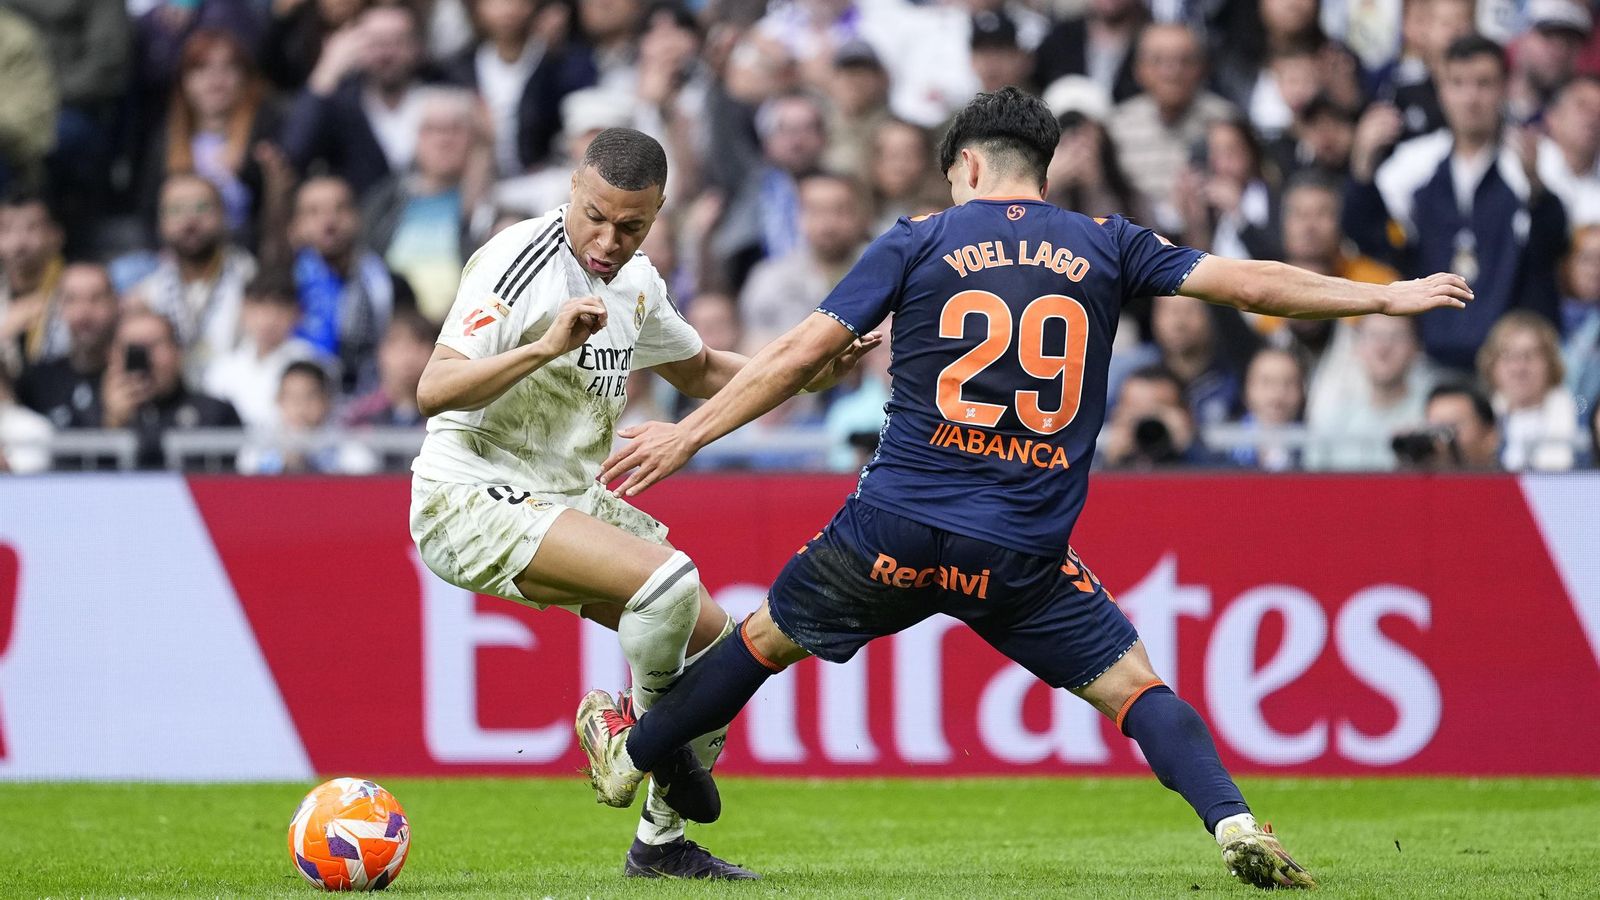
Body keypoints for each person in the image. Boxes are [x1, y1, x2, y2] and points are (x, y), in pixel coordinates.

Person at [584, 87, 1474, 889]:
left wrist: (690, 433)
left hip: (892, 528)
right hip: (1017, 549)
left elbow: (800, 353)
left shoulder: (919, 239)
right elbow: (1254, 286)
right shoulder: (1109, 243)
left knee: (760, 642)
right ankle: (1234, 819)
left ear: (966, 165)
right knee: (1136, 689)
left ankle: (632, 758)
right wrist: (1385, 299)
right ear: (1039, 167)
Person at [408, 126, 875, 879]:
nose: (607, 238)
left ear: (656, 215)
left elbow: (699, 371)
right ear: (572, 187)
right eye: (595, 215)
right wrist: (542, 347)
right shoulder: (516, 259)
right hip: (467, 493)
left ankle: (660, 845)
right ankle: (641, 747)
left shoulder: (637, 282)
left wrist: (807, 371)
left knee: (726, 652)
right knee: (669, 581)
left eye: (631, 226)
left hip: (561, 496)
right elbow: (432, 389)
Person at [1344, 34, 1567, 372]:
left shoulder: (1538, 159)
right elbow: (1369, 237)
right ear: (1440, 89)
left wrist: (1537, 188)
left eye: (1484, 83)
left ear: (1505, 88)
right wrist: (1362, 165)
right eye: (1457, 83)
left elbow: (1552, 250)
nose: (1470, 97)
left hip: (1513, 366)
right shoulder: (1412, 163)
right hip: (1429, 355)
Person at [127, 172, 258, 380]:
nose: (190, 221)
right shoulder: (146, 295)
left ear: (224, 216)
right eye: (176, 210)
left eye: (202, 208)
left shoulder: (251, 278)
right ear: (161, 223)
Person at [100, 308, 242, 468]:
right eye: (134, 349)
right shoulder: (91, 410)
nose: (145, 359)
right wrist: (112, 424)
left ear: (177, 351)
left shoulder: (215, 413)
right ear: (112, 355)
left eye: (154, 345)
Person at [1305, 315, 1434, 470]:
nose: (1383, 349)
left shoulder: (1432, 415)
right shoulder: (1332, 416)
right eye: (1374, 336)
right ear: (1356, 347)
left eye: (1397, 337)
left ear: (1417, 347)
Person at [203, 274, 325, 430]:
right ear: (243, 309)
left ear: (296, 313)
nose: (269, 319)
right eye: (259, 306)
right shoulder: (221, 370)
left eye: (279, 308)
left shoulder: (313, 363)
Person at [14, 262, 120, 429]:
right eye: (72, 300)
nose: (84, 313)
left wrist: (118, 420)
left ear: (115, 304)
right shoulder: (38, 381)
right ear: (59, 307)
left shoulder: (135, 378)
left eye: (96, 298)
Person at [238, 360, 378, 475]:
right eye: (291, 397)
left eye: (310, 397)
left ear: (327, 401)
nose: (300, 406)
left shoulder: (351, 454)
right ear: (278, 400)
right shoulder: (257, 451)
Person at [1479, 310, 1577, 470]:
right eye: (1509, 356)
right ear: (1492, 365)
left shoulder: (1580, 418)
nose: (1519, 368)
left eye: (1530, 355)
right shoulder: (1480, 422)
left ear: (1551, 363)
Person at [0, 190, 66, 374]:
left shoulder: (77, 293)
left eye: (31, 228)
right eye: (6, 230)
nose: (18, 243)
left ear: (56, 236)